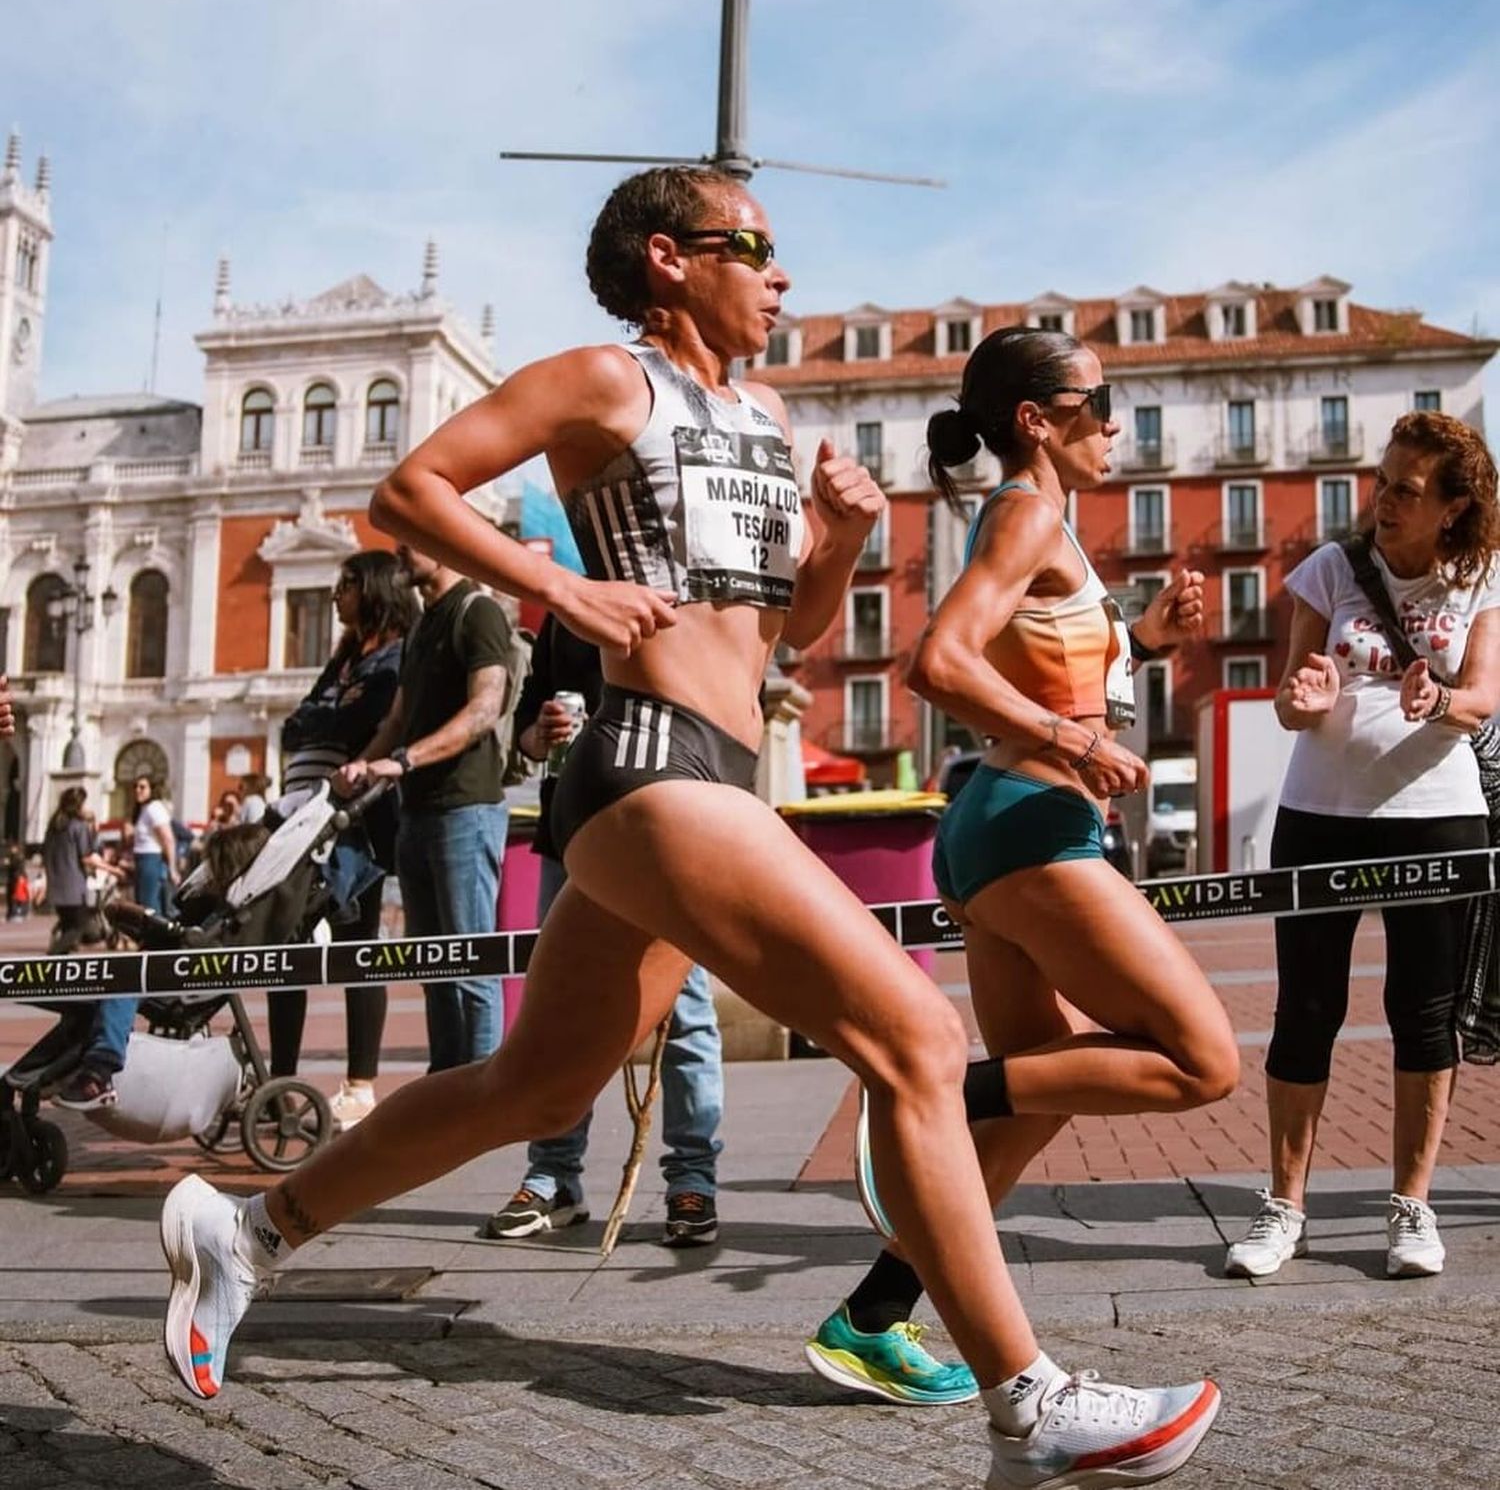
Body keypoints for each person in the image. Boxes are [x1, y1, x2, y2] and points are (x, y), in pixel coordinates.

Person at [157, 166, 1221, 1489]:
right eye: (755, 248)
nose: (781, 276)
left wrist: (841, 538)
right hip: (643, 763)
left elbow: (789, 632)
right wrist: (561, 587)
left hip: (711, 767)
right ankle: (1031, 1403)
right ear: (670, 258)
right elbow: (412, 489)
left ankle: (248, 1234)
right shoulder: (607, 383)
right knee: (920, 1037)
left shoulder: (767, 412)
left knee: (537, 1086)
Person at [803, 325, 1236, 1408]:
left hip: (1006, 822)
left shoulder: (1047, 527)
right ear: (1036, 421)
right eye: (1099, 404)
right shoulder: (1030, 508)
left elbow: (1035, 657)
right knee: (1199, 1060)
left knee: (1040, 1097)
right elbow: (938, 662)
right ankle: (927, 1097)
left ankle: (872, 1316)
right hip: (1031, 818)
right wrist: (1077, 741)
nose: (1115, 425)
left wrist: (1141, 638)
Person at [1224, 411, 1500, 1282]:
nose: (1382, 500)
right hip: (1320, 814)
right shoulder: (1329, 569)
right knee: (1307, 1010)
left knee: (1424, 1017)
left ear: (1452, 509)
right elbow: (1291, 700)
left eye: (1407, 491)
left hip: (1441, 816)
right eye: (1382, 481)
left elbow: (1485, 698)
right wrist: (1305, 698)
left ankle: (1411, 1206)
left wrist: (1440, 702)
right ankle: (1284, 1206)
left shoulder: (1484, 579)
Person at [484, 613, 725, 1247]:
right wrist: (539, 733)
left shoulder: (685, 606)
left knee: (685, 1008)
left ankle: (692, 1179)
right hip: (572, 832)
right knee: (559, 1008)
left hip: (666, 828)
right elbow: (526, 736)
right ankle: (554, 1176)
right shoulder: (566, 615)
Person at [336, 544, 515, 1071]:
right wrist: (360, 766)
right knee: (434, 966)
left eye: (412, 541)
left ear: (444, 541)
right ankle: (448, 1085)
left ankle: (484, 1093)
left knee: (471, 964)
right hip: (416, 814)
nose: (401, 554)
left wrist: (405, 761)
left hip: (465, 808)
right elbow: (397, 719)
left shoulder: (476, 612)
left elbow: (484, 709)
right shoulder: (421, 626)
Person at [266, 549, 413, 1131]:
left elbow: (359, 726)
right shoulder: (347, 658)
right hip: (300, 815)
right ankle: (279, 1081)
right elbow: (294, 726)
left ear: (372, 589)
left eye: (345, 585)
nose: (334, 596)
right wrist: (328, 719)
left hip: (357, 822)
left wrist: (330, 722)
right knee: (284, 942)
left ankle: (360, 1083)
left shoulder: (395, 657)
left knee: (360, 944)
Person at [39, 786, 132, 1109]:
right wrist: (114, 870)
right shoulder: (77, 827)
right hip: (75, 888)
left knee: (71, 926)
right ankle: (51, 962)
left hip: (57, 887)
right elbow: (88, 857)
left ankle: (57, 968)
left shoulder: (54, 826)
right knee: (78, 928)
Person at [129, 774, 178, 914]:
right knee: (142, 905)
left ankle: (156, 935)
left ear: (151, 789)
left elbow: (168, 839)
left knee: (149, 906)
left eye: (142, 787)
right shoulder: (143, 809)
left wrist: (172, 868)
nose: (138, 790)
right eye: (136, 787)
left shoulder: (154, 808)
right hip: (141, 860)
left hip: (151, 860)